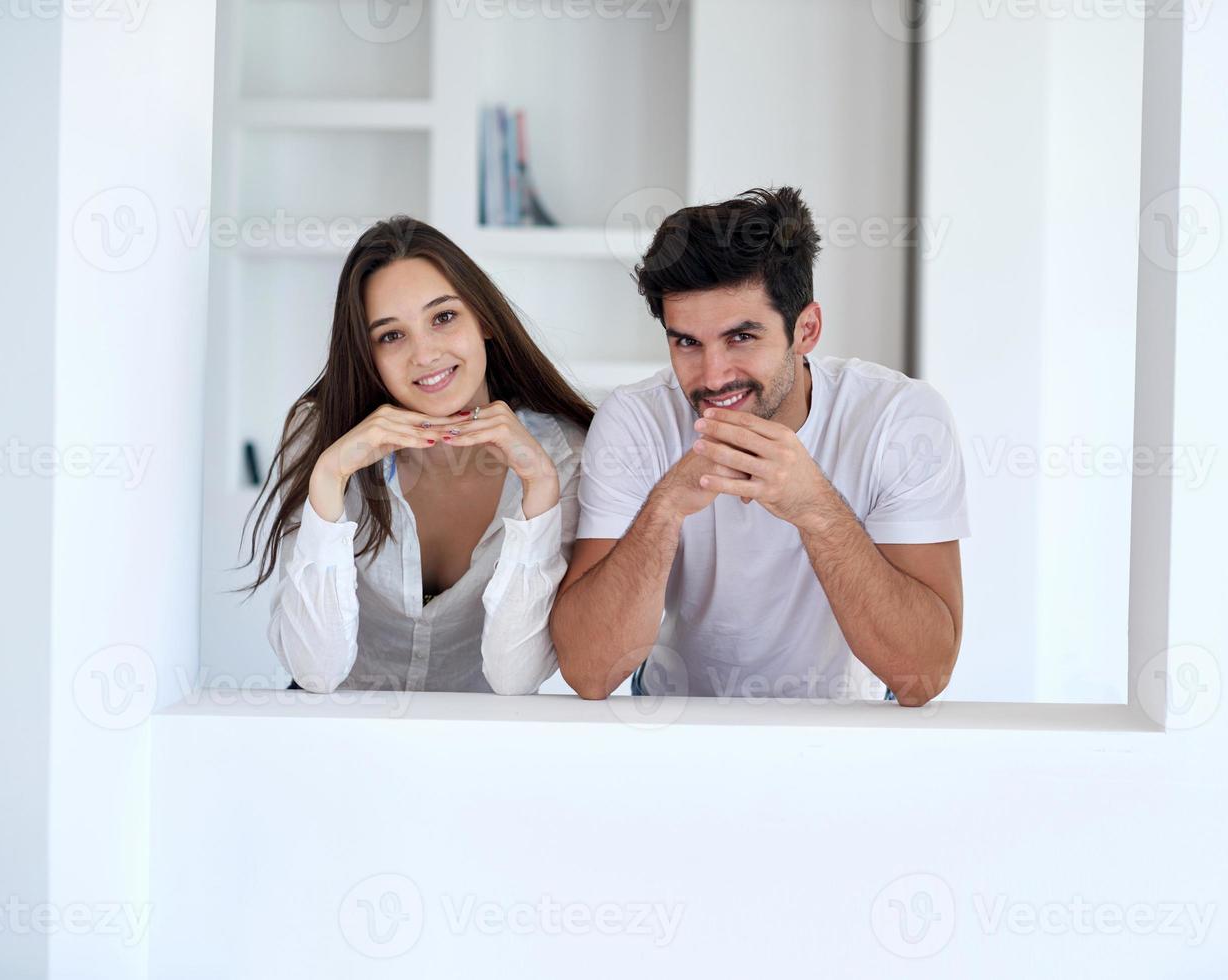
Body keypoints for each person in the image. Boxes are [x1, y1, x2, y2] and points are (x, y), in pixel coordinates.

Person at [550, 187, 968, 707]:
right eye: (687, 342)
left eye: (742, 338)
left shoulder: (898, 418)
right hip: (673, 721)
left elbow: (922, 676)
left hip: (847, 729)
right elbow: (591, 673)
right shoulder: (636, 421)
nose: (713, 376)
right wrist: (666, 506)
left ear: (806, 329)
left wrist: (815, 507)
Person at [240, 216, 591, 694]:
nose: (424, 354)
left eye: (443, 317)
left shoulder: (564, 456)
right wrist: (330, 475)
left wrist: (540, 489)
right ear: (367, 354)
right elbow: (315, 672)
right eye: (391, 335)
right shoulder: (319, 437)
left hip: (475, 749)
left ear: (484, 319)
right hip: (340, 743)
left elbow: (517, 677)